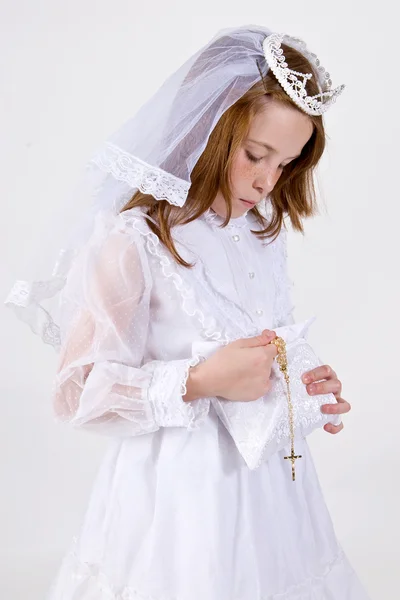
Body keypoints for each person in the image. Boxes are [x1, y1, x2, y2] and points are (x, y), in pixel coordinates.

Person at [5, 25, 371, 599]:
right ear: (208, 128)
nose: (267, 181)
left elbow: (258, 344)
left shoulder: (259, 233)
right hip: (176, 500)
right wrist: (199, 380)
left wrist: (301, 380)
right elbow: (77, 392)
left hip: (273, 499)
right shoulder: (135, 240)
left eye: (286, 164)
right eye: (255, 155)